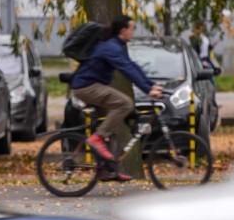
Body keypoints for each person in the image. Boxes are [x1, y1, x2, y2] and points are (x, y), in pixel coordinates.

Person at [70, 15, 164, 182]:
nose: (133, 32)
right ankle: (97, 139)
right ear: (123, 31)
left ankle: (108, 170)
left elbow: (132, 66)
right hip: (86, 87)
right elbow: (127, 69)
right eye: (132, 28)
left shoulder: (115, 46)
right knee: (125, 103)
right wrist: (148, 89)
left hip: (89, 85)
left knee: (110, 127)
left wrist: (150, 85)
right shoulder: (111, 47)